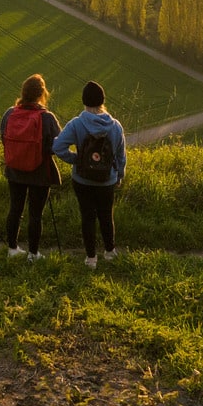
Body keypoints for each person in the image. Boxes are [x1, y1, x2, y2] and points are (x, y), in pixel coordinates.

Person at [53, 80, 126, 269]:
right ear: (103, 100)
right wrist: (118, 175)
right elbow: (120, 155)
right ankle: (110, 252)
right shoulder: (116, 126)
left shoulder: (77, 124)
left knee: (87, 217)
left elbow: (58, 147)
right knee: (106, 215)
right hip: (106, 180)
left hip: (82, 179)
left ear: (84, 100)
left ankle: (91, 258)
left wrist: (76, 160)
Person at [0, 74, 61, 260]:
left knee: (15, 209)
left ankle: (12, 249)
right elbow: (57, 145)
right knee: (35, 214)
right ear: (42, 94)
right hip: (40, 172)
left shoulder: (10, 114)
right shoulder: (47, 117)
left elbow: (4, 137)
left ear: (23, 92)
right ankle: (33, 254)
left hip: (15, 169)